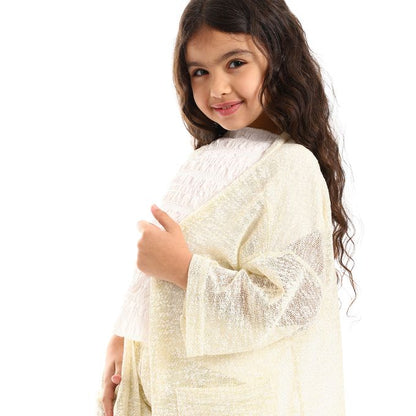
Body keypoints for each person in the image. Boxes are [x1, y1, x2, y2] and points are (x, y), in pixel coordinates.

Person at [97, 0, 357, 415]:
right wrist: (124, 337)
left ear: (280, 59)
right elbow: (157, 272)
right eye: (199, 71)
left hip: (238, 401)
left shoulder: (291, 166)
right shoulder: (205, 160)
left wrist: (184, 269)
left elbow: (290, 303)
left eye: (235, 63)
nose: (217, 88)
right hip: (173, 393)